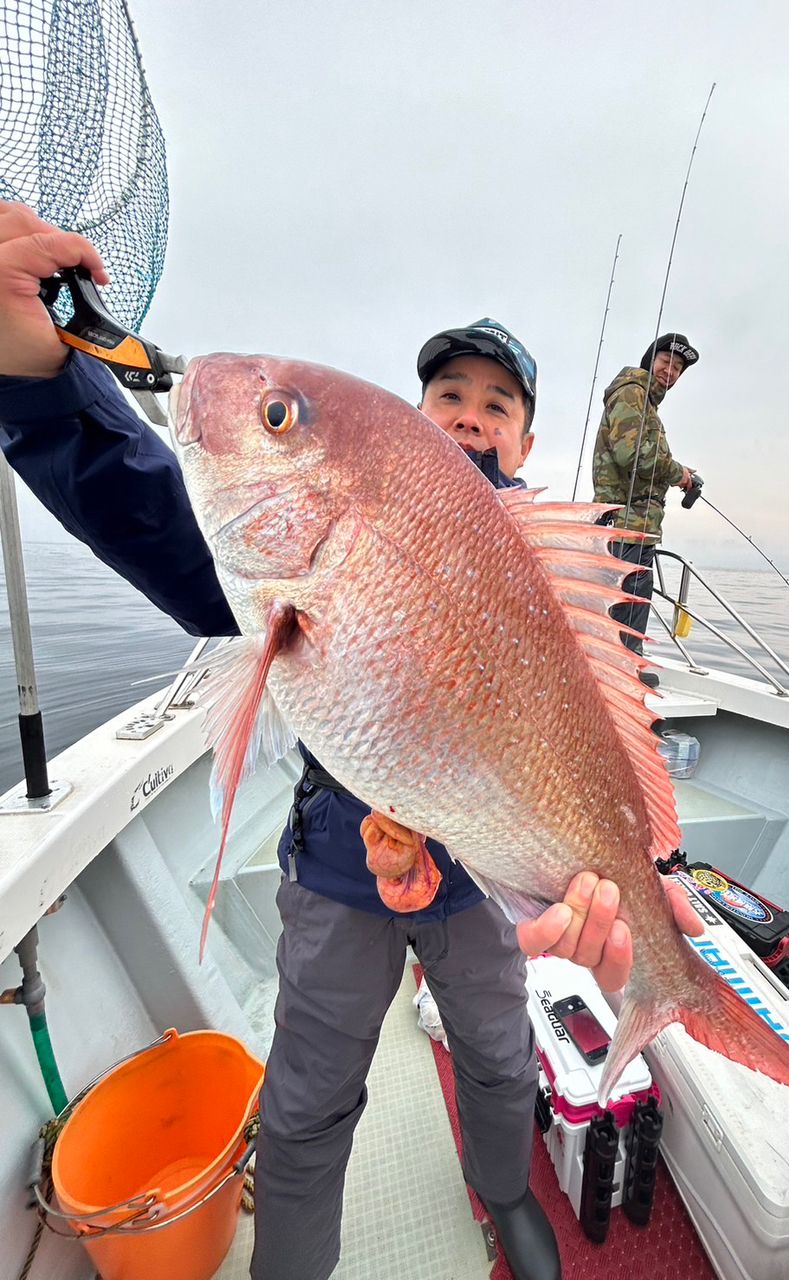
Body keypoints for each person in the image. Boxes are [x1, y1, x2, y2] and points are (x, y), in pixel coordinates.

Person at [0, 202, 700, 1280]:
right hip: (337, 872)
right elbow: (151, 509)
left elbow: (590, 723)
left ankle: (509, 1187)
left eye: (499, 403)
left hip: (483, 885)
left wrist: (643, 873)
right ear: (412, 420)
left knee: (501, 1055)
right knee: (308, 1092)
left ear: (523, 439)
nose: (471, 415)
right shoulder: (341, 530)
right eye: (448, 395)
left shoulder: (531, 570)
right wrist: (42, 382)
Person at [591, 333, 699, 687]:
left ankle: (620, 672)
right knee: (629, 600)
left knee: (631, 601)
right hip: (625, 524)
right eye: (666, 362)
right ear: (650, 360)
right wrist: (679, 475)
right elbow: (633, 455)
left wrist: (678, 473)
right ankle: (623, 678)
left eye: (678, 368)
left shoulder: (646, 404)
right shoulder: (633, 392)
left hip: (636, 526)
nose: (671, 371)